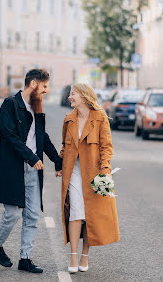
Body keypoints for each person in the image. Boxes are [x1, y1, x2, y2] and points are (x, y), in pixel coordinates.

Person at [0, 69, 62, 274]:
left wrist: (57, 161)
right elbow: (9, 137)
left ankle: (25, 258)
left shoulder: (37, 107)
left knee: (32, 215)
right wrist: (32, 157)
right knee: (12, 213)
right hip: (13, 167)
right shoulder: (10, 104)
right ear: (34, 84)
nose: (46, 90)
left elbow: (42, 137)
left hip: (33, 170)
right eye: (44, 86)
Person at [56, 83, 119, 273]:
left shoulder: (100, 118)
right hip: (72, 171)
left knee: (90, 214)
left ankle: (85, 255)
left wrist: (105, 171)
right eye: (70, 94)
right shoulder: (69, 119)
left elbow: (106, 147)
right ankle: (73, 256)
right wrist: (59, 165)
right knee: (76, 210)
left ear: (84, 96)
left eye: (73, 94)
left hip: (93, 173)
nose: (69, 97)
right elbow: (64, 147)